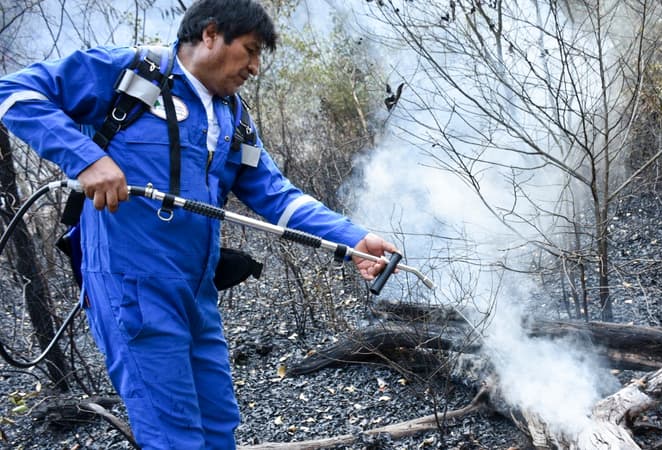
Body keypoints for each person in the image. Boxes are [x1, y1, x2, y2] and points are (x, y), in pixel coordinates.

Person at [0, 0, 397, 448]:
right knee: (174, 434)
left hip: (197, 289)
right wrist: (88, 159)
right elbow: (14, 93)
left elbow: (276, 195)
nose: (255, 67)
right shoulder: (132, 74)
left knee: (218, 422)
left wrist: (353, 239)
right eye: (249, 50)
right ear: (210, 34)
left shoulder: (233, 117)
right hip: (133, 287)